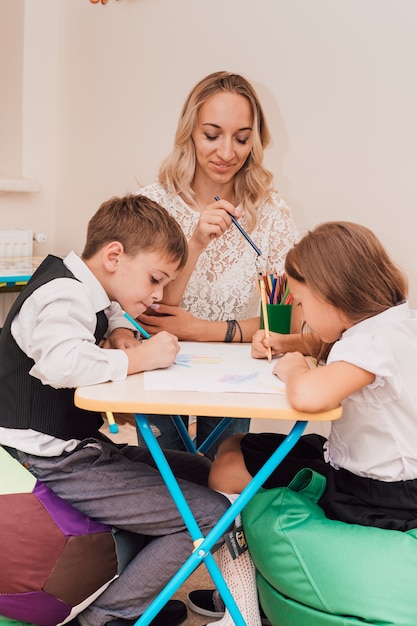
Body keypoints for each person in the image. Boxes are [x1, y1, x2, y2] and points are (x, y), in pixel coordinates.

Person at [0, 194, 230, 626]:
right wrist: (138, 358)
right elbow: (61, 363)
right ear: (114, 256)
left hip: (79, 444)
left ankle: (138, 594)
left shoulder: (84, 285)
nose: (158, 295)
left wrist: (124, 333)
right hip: (54, 457)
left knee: (202, 472)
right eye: (155, 280)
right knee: (210, 515)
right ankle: (109, 616)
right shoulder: (62, 295)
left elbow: (112, 311)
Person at [189, 220, 417, 625]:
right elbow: (324, 342)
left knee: (227, 468)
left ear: (330, 295)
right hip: (385, 481)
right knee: (236, 448)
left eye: (302, 302)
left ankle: (239, 607)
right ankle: (242, 600)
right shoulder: (394, 323)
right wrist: (288, 342)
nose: (303, 316)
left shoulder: (372, 341)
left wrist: (292, 368)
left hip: (379, 498)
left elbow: (309, 395)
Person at [135, 70, 301, 457]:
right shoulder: (153, 204)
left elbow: (288, 322)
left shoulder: (271, 212)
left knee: (220, 480)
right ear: (189, 133)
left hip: (235, 375)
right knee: (164, 481)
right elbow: (152, 310)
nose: (227, 153)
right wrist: (193, 243)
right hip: (157, 365)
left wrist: (205, 330)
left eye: (242, 138)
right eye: (212, 135)